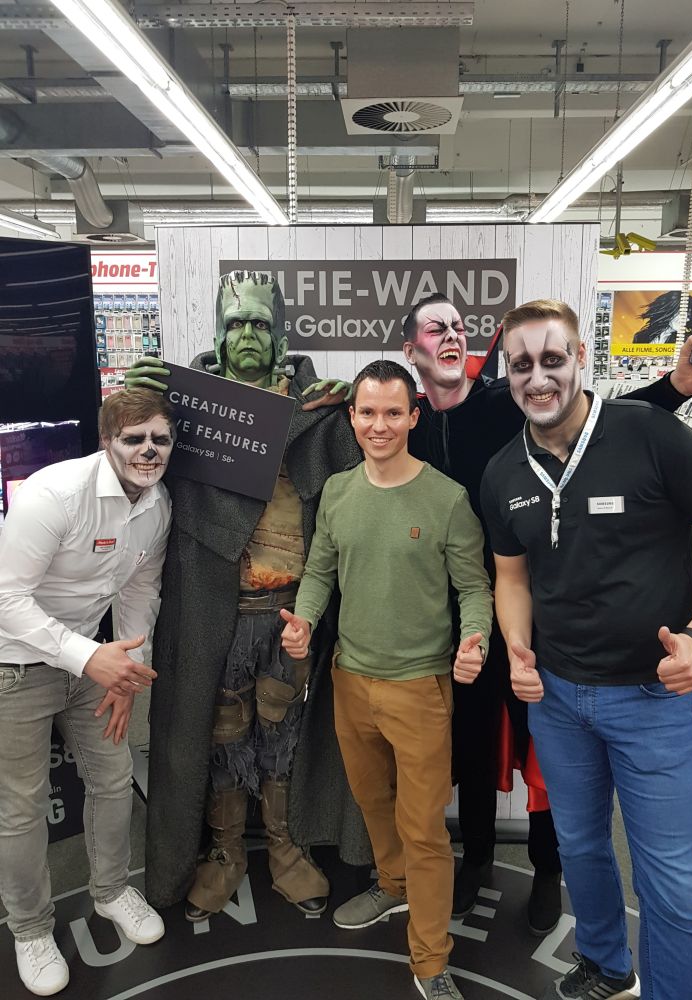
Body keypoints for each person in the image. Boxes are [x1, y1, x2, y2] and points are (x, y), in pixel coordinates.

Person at [310, 290, 692, 933]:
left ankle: (546, 870)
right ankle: (477, 859)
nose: (451, 336)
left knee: (543, 751)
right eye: (435, 329)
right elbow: (358, 452)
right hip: (451, 623)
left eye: (459, 326)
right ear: (410, 350)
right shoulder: (404, 418)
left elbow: (599, 422)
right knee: (473, 745)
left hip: (529, 608)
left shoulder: (505, 403)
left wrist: (674, 387)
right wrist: (318, 402)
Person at [479, 298, 692, 1000]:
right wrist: (517, 647)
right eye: (521, 365)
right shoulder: (504, 472)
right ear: (507, 374)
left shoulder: (647, 432)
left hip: (653, 700)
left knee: (669, 884)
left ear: (580, 358)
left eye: (553, 359)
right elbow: (512, 577)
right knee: (580, 847)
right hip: (558, 700)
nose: (538, 378)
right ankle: (605, 963)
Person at [125, 270, 371, 922]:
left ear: (282, 336)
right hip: (214, 609)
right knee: (220, 731)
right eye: (236, 324)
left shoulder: (316, 415)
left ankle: (286, 849)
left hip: (291, 610)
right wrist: (136, 403)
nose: (248, 335)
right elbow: (130, 475)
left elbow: (364, 487)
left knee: (283, 731)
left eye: (261, 323)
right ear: (217, 335)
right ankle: (225, 850)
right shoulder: (183, 413)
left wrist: (354, 407)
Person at [282, 359, 492, 1000]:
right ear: (352, 417)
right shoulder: (338, 492)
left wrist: (476, 639)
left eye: (393, 413)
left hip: (420, 689)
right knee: (373, 803)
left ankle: (430, 961)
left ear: (412, 417)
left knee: (424, 830)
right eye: (368, 412)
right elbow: (319, 572)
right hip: (350, 681)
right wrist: (304, 622)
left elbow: (474, 587)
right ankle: (393, 886)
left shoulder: (447, 499)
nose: (380, 425)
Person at [0, 388, 175, 998]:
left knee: (113, 776)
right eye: (134, 439)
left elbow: (140, 591)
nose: (148, 451)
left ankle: (111, 890)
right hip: (15, 664)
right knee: (20, 807)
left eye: (160, 439)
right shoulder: (54, 495)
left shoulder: (158, 505)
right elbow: (5, 599)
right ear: (106, 442)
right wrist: (89, 656)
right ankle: (30, 929)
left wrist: (128, 670)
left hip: (94, 661)